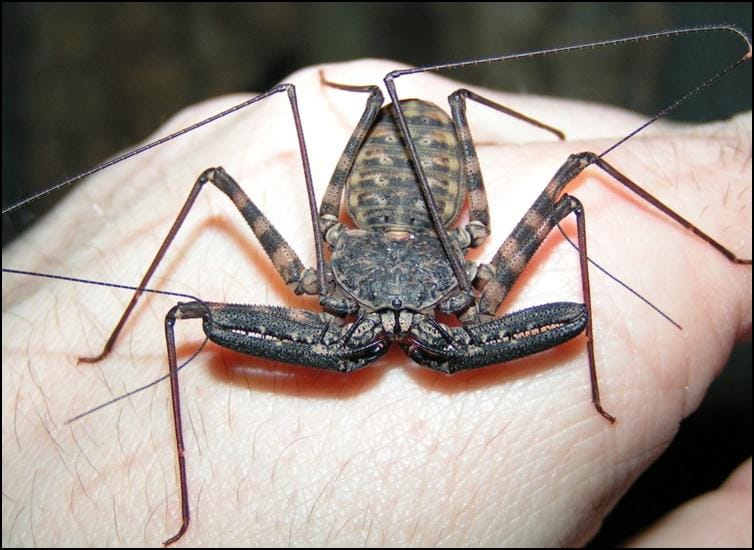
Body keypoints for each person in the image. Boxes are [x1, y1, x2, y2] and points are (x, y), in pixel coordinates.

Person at [2, 60, 750, 546]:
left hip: (433, 213)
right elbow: (212, 195)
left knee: (577, 176)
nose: (395, 335)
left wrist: (596, 386)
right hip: (372, 207)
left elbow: (575, 194)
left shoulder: (468, 255)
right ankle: (371, 105)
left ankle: (730, 252)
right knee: (215, 194)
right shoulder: (321, 261)